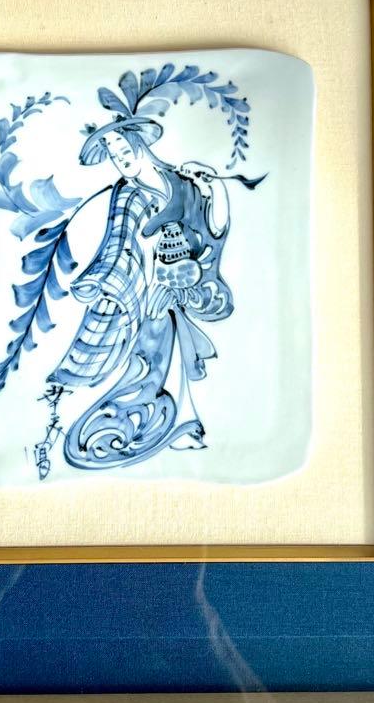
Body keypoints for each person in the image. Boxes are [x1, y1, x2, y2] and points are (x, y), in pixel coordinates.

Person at [41, 112, 236, 472]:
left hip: (178, 286)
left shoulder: (182, 185)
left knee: (165, 361)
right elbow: (119, 248)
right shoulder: (127, 195)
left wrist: (216, 187)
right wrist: (103, 281)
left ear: (140, 143)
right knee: (146, 362)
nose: (121, 159)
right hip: (144, 291)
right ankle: (136, 428)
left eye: (124, 149)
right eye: (114, 155)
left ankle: (175, 425)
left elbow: (214, 230)